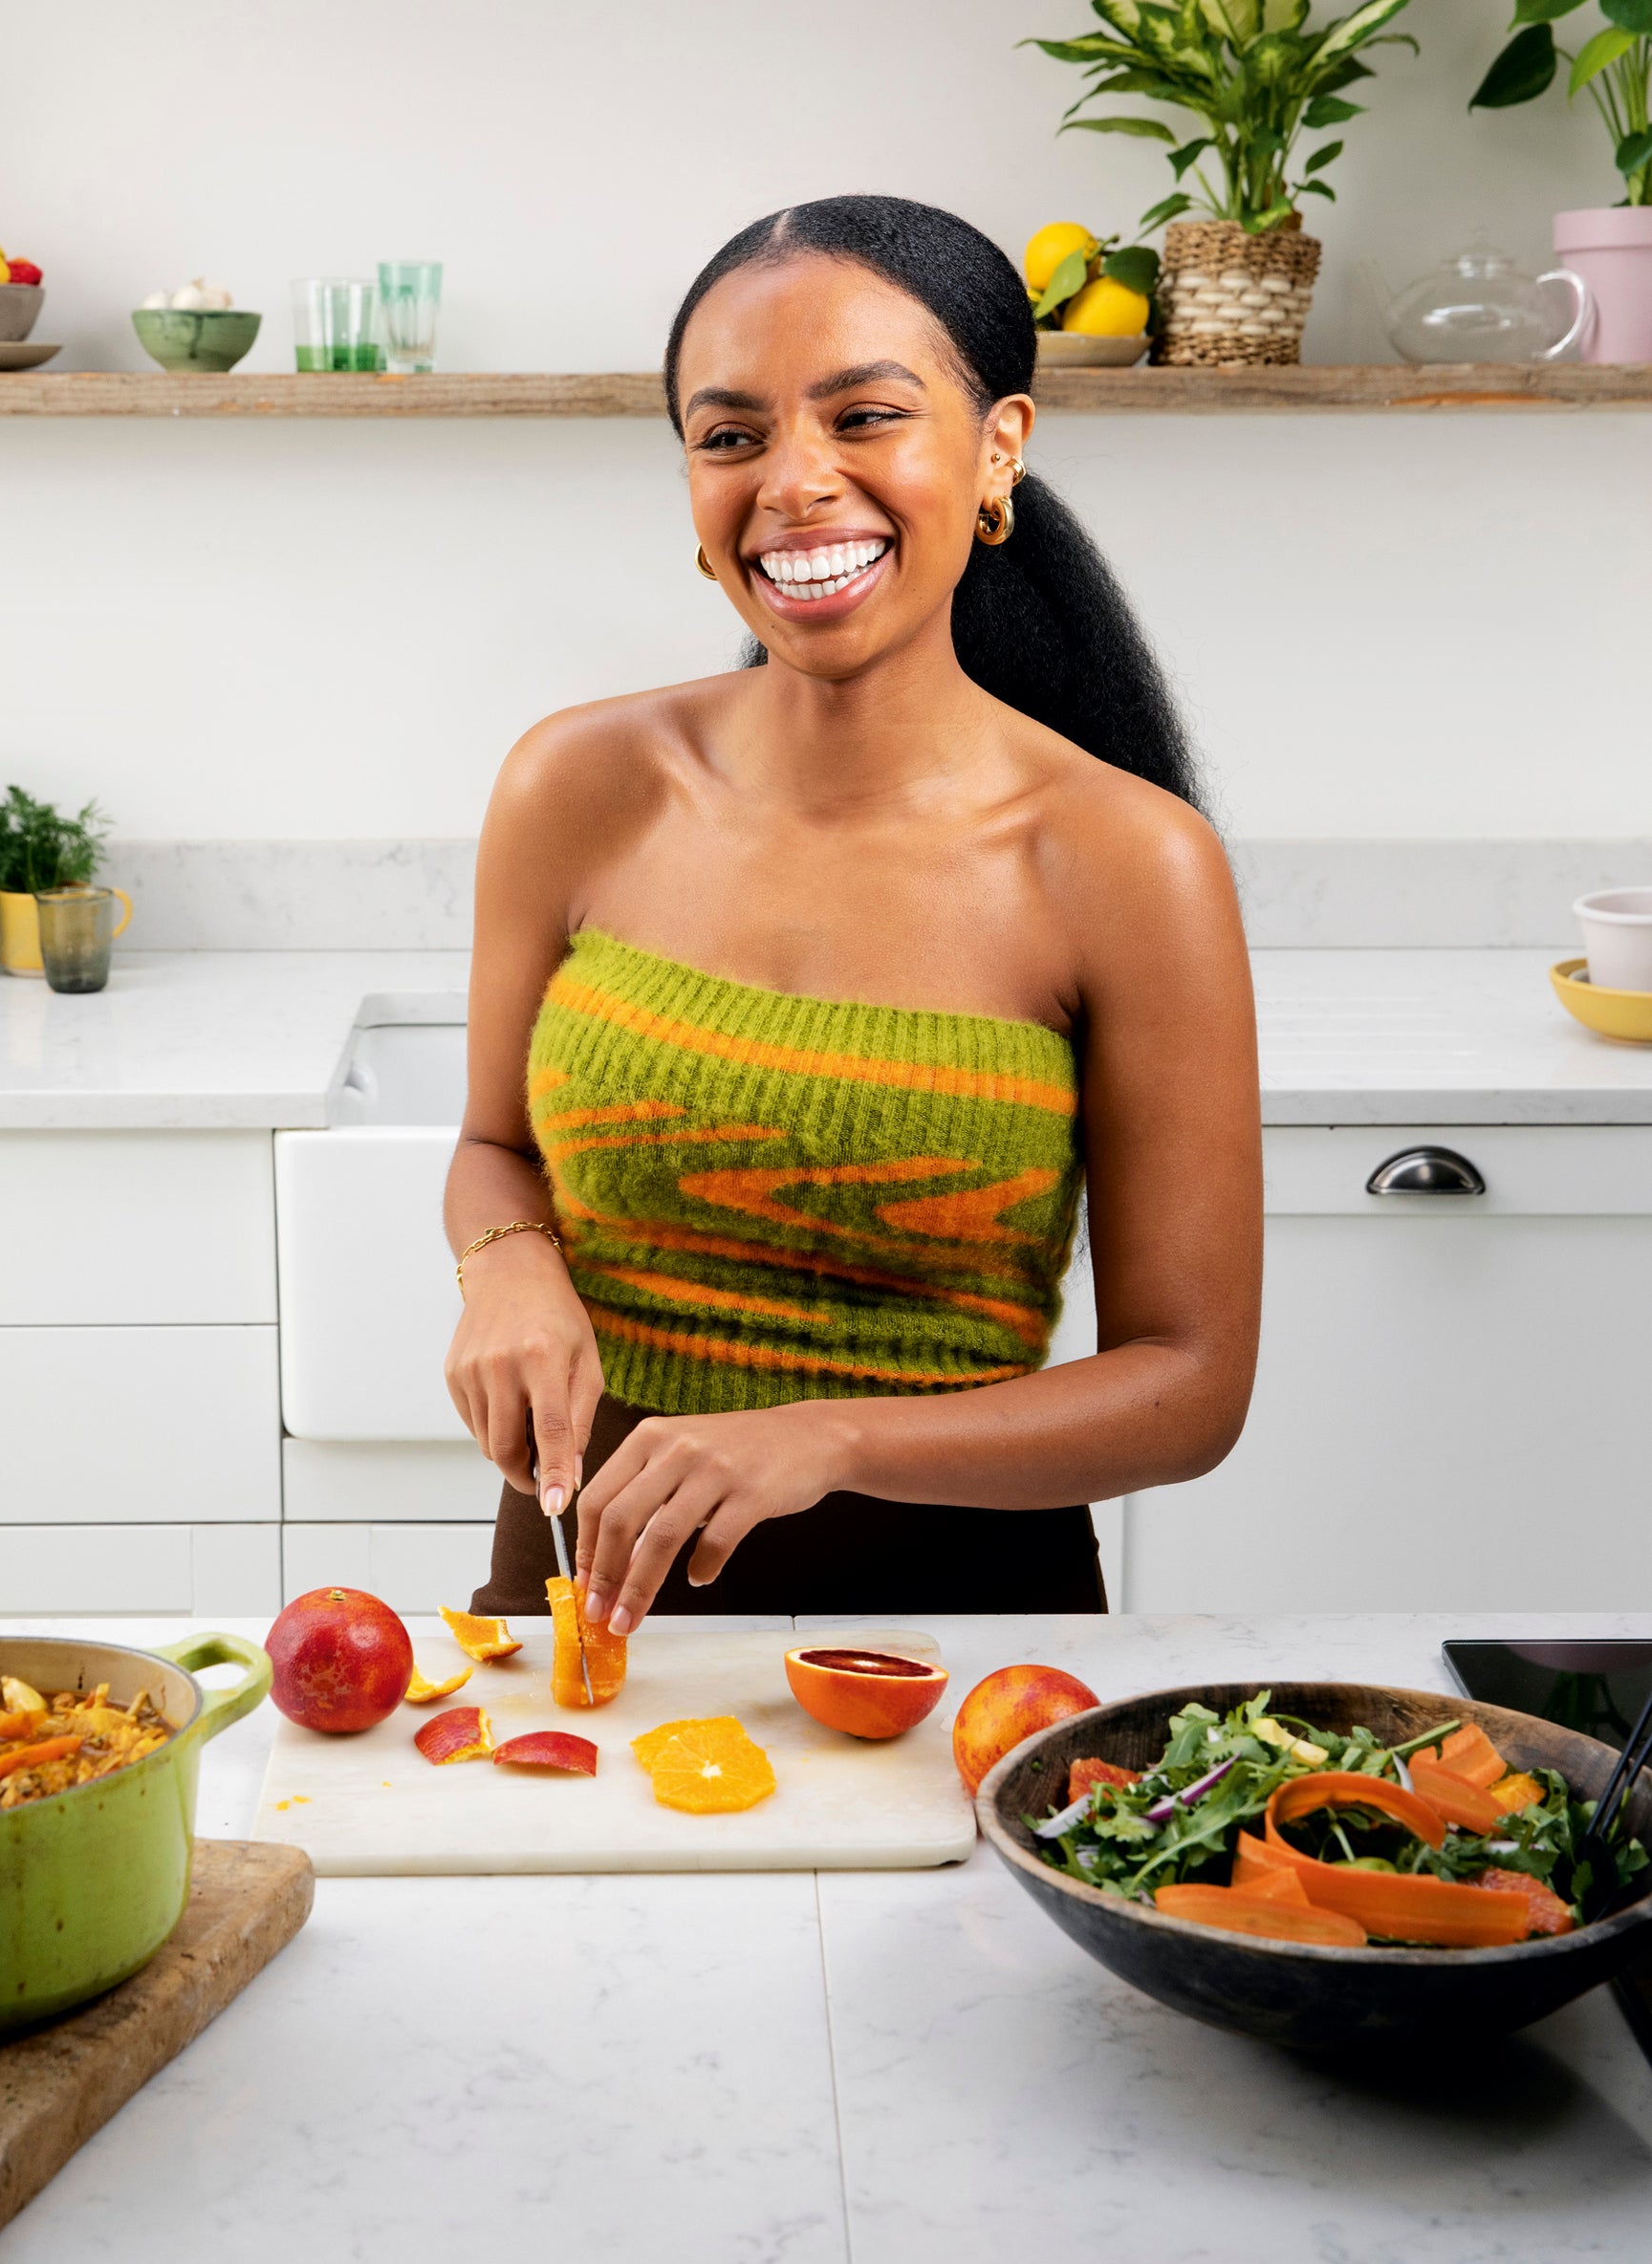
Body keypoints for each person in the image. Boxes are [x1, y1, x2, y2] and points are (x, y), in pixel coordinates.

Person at [445, 194, 1261, 1634]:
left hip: (957, 1647)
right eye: (731, 434)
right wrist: (507, 1271)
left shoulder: (1126, 860)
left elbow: (1188, 1384)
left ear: (998, 443)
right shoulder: (576, 783)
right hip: (580, 1614)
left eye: (864, 416)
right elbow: (494, 1148)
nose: (794, 482)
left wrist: (832, 1435)